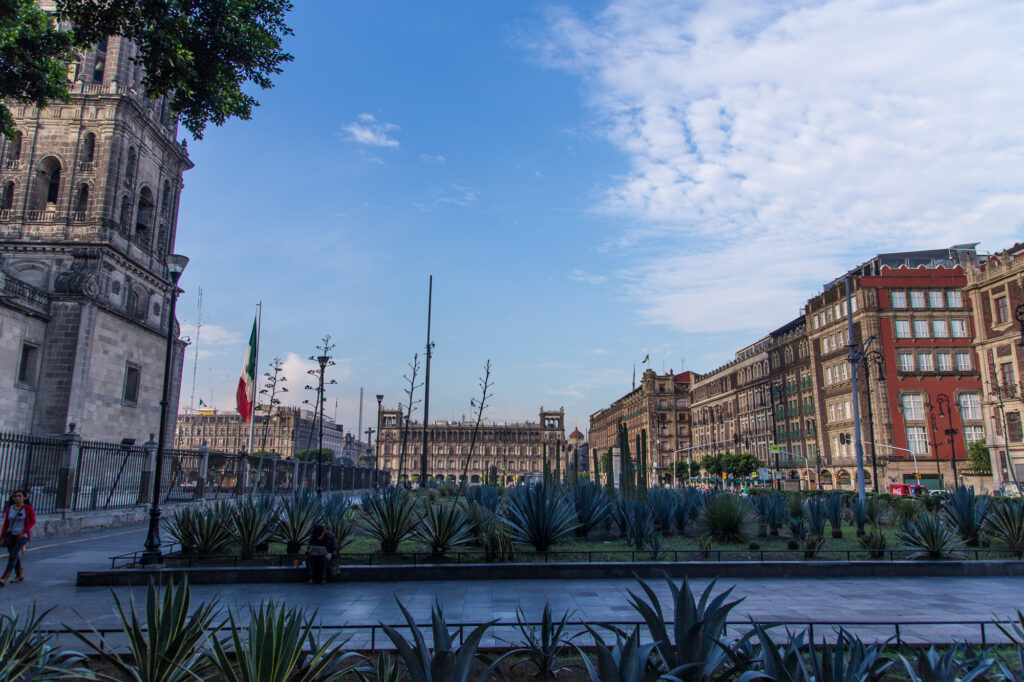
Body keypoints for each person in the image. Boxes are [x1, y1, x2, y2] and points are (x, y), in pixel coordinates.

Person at [0, 490, 35, 586]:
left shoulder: (27, 509)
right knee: (13, 554)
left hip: (21, 535)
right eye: (15, 496)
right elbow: (6, 523)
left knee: (12, 555)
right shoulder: (9, 509)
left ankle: (4, 577)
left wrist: (23, 531)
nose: (17, 498)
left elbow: (33, 521)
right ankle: (19, 575)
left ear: (24, 498)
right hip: (10, 535)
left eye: (19, 496)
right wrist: (2, 536)